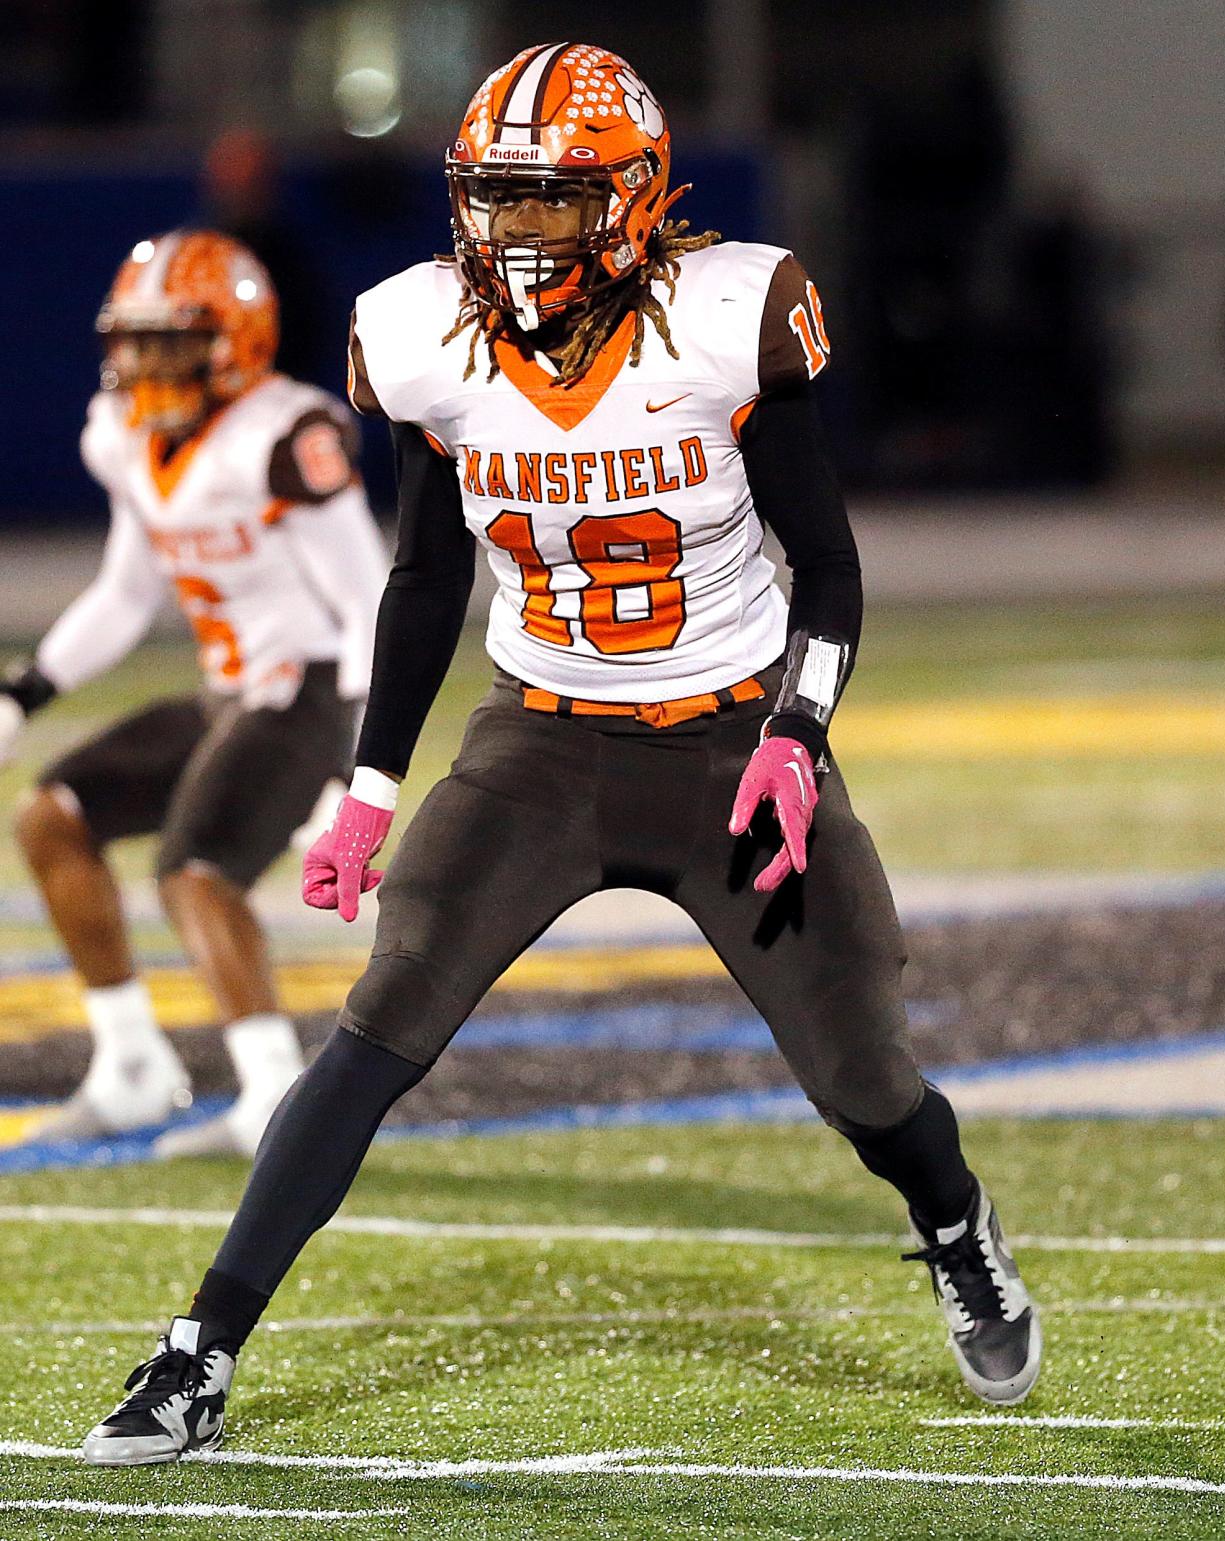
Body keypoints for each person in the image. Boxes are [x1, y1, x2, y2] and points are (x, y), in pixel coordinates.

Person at [80, 46, 1040, 1466]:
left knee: (864, 1075)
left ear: (636, 197)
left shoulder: (728, 318)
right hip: (539, 743)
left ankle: (957, 1230)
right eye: (494, 201)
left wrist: (795, 729)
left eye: (550, 202)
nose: (515, 237)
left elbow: (825, 567)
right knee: (376, 1026)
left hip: (729, 743)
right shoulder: (419, 335)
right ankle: (198, 1351)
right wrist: (365, 789)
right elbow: (419, 584)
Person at [0, 229, 388, 1159]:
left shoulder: (283, 435)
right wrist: (23, 694)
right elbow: (128, 591)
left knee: (196, 869)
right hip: (230, 693)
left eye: (165, 340)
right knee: (53, 818)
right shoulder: (127, 438)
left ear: (233, 340)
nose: (139, 363)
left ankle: (273, 1096)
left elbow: (373, 598)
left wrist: (354, 764)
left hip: (308, 694)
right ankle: (130, 1063)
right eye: (129, 340)